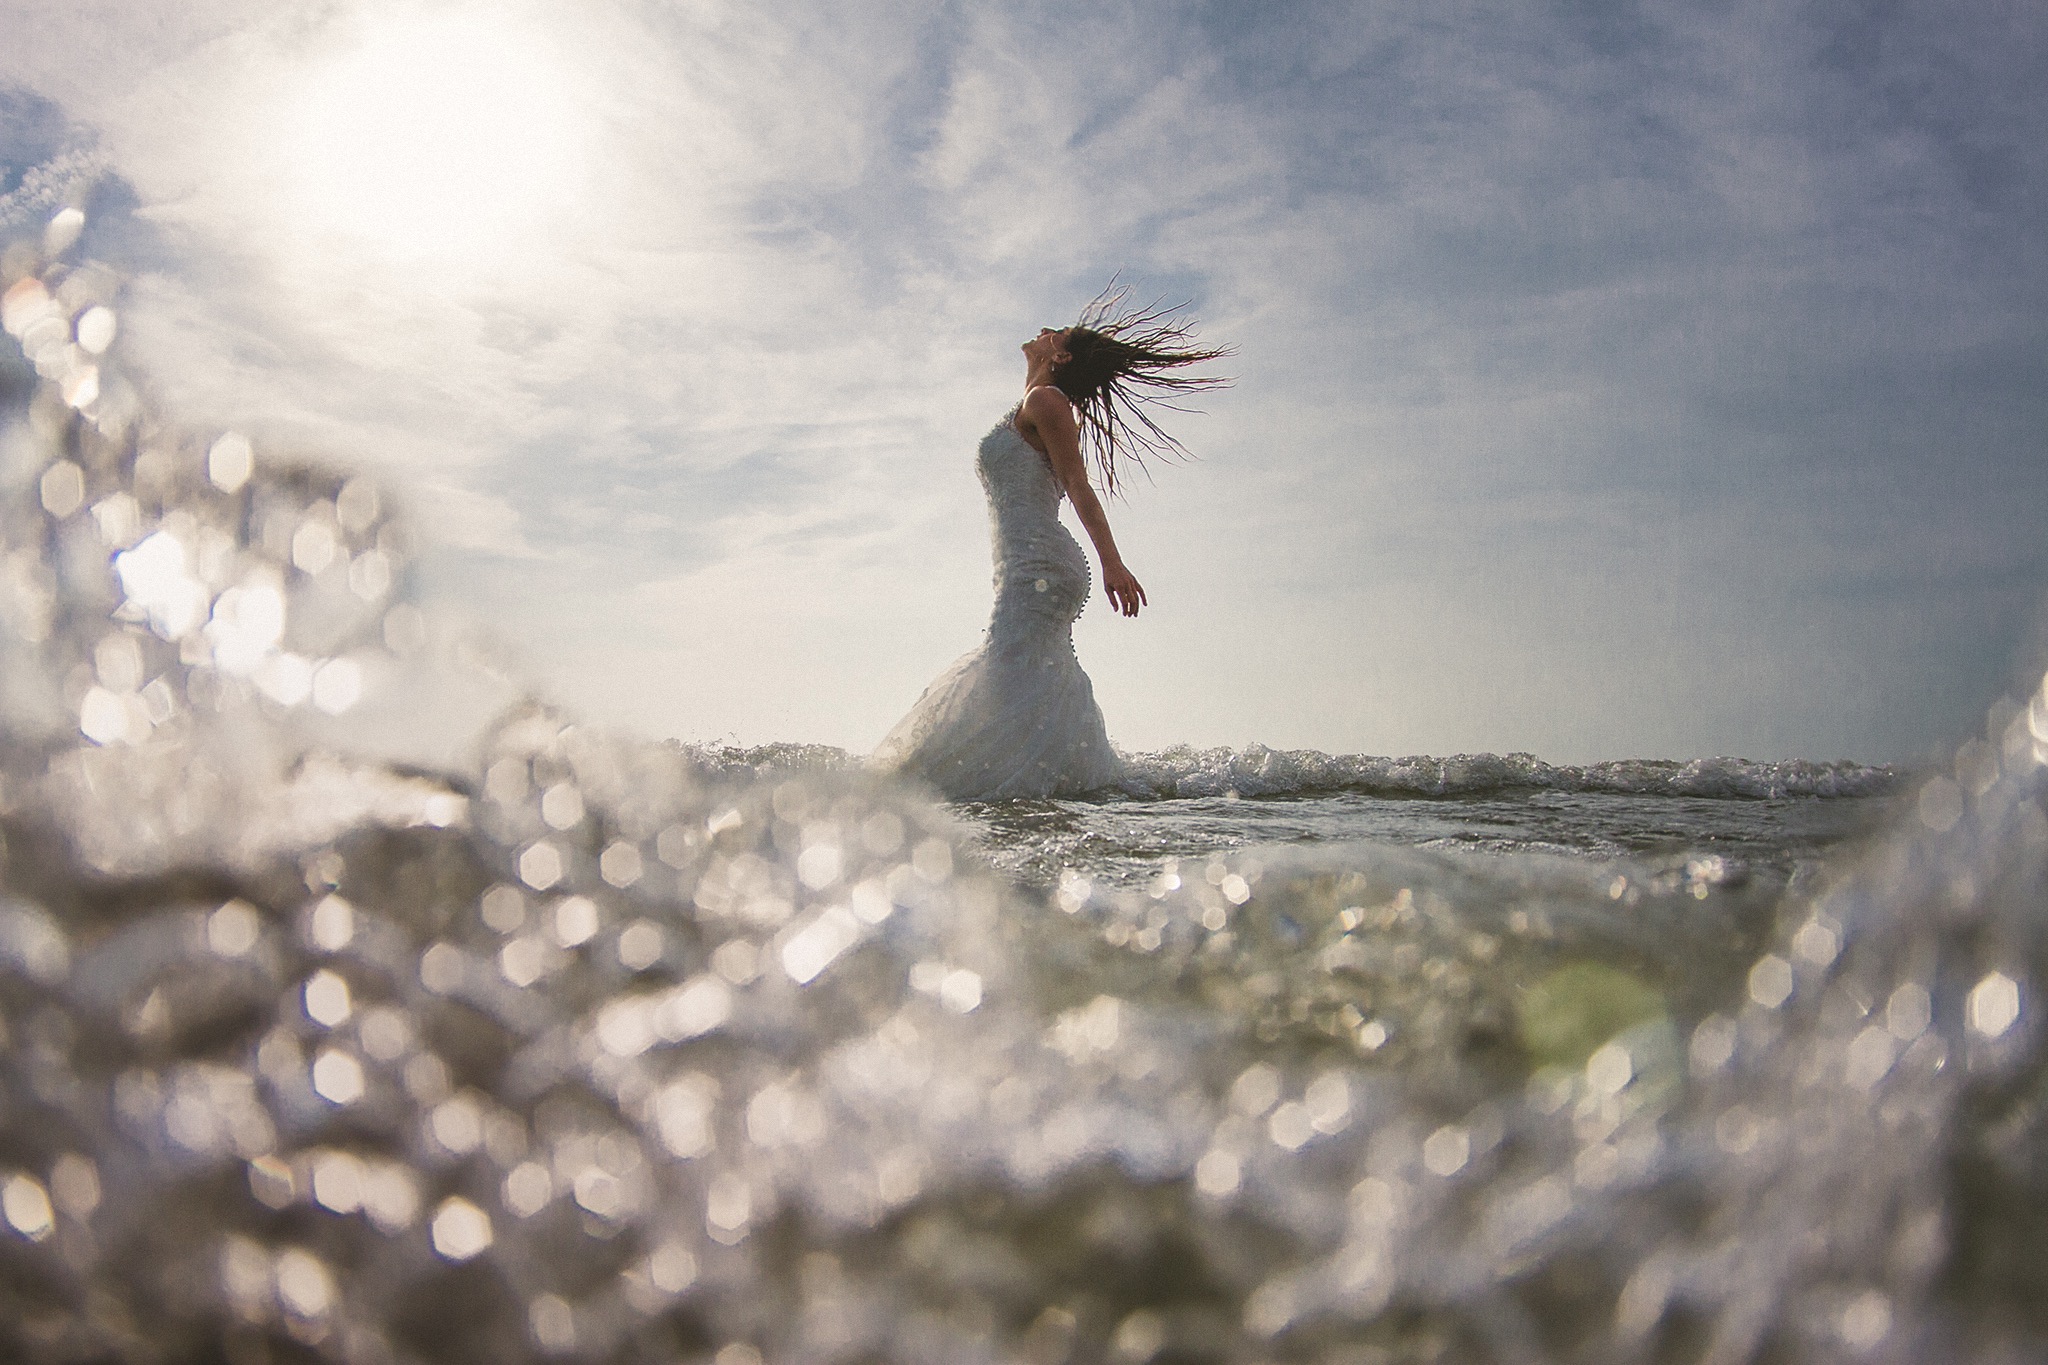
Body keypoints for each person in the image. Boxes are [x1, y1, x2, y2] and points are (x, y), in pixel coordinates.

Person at [872, 286, 1229, 800]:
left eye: (1054, 332)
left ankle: (994, 788)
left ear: (1059, 355)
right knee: (1024, 673)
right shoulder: (1036, 403)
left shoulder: (1046, 400)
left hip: (1039, 564)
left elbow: (1080, 487)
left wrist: (1114, 563)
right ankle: (1047, 786)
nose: (1044, 330)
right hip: (1029, 565)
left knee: (1008, 670)